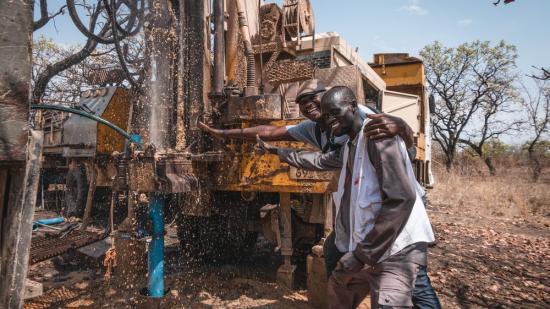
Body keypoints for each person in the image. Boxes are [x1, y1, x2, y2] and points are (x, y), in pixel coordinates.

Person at [258, 86, 439, 309]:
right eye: (326, 116)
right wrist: (276, 152)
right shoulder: (350, 145)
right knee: (338, 277)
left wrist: (362, 254)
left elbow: (401, 199)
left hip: (397, 245)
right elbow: (317, 161)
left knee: (414, 292)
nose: (330, 120)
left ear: (354, 107)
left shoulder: (376, 137)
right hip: (370, 241)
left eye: (335, 112)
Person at [199, 79, 414, 151]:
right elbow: (270, 131)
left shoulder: (360, 116)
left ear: (329, 95)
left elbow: (406, 145)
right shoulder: (313, 129)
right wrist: (223, 133)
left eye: (313, 98)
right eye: (302, 103)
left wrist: (403, 127)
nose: (307, 105)